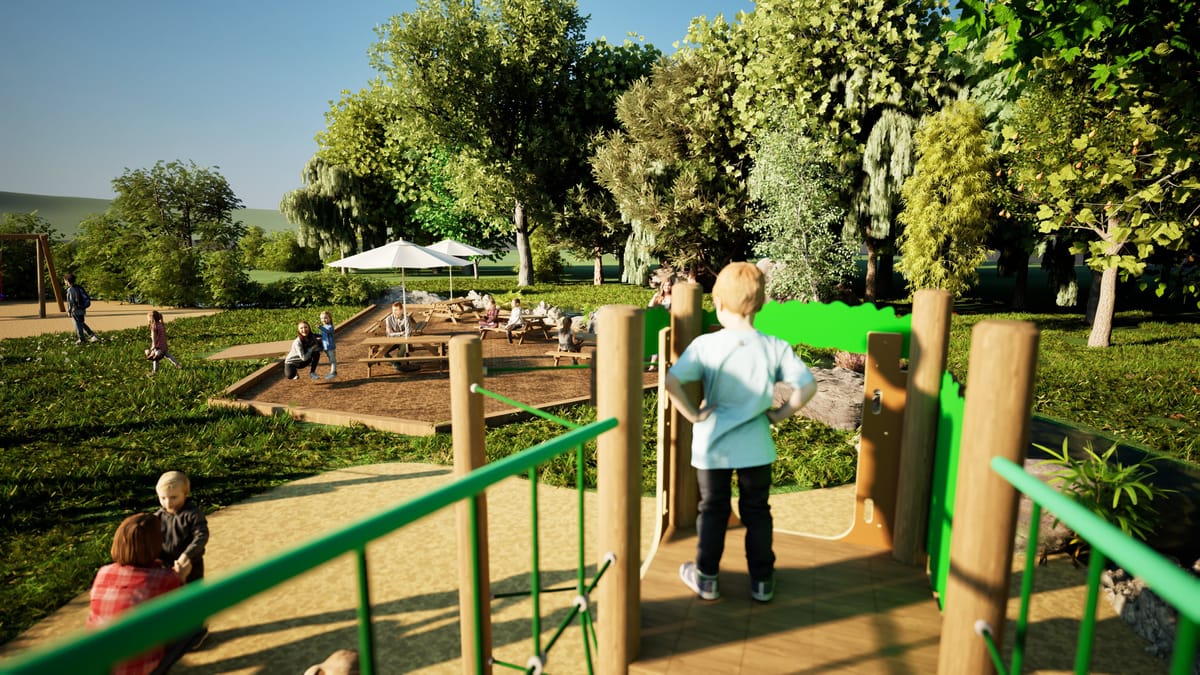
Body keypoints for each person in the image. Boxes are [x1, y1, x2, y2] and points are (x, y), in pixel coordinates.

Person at [664, 262, 817, 604]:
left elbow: (672, 381)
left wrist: (693, 414)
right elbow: (807, 386)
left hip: (712, 445)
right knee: (757, 511)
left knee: (713, 511)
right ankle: (762, 581)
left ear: (718, 304)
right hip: (756, 446)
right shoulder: (773, 346)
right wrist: (780, 414)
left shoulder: (706, 345)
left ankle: (706, 578)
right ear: (760, 305)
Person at [87, 512, 185, 675]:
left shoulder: (103, 572)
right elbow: (182, 613)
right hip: (139, 667)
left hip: (100, 662)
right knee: (194, 627)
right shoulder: (164, 578)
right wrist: (180, 577)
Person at [155, 471, 208, 584]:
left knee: (193, 595)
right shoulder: (157, 517)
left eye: (174, 497)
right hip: (165, 565)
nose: (168, 503)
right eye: (163, 498)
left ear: (185, 494)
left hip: (191, 564)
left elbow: (201, 536)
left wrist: (187, 555)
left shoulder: (193, 514)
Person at [63, 273, 100, 344]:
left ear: (67, 280)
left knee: (77, 325)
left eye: (64, 280)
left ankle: (82, 339)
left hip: (75, 310)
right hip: (82, 309)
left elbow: (70, 302)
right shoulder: (78, 287)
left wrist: (69, 311)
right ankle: (92, 335)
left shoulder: (70, 290)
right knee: (81, 323)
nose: (64, 282)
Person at [647, 275, 673, 371]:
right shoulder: (659, 297)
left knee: (668, 343)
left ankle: (667, 364)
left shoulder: (674, 297)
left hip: (669, 322)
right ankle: (653, 364)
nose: (667, 287)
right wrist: (654, 298)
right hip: (659, 323)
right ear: (662, 286)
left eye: (669, 285)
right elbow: (649, 307)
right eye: (665, 285)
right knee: (657, 343)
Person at [318, 310, 337, 380]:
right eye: (322, 318)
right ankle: (333, 371)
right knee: (330, 360)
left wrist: (320, 327)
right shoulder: (324, 326)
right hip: (325, 347)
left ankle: (333, 372)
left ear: (330, 318)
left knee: (332, 360)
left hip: (330, 346)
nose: (323, 320)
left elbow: (328, 331)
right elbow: (323, 335)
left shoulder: (330, 327)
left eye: (325, 318)